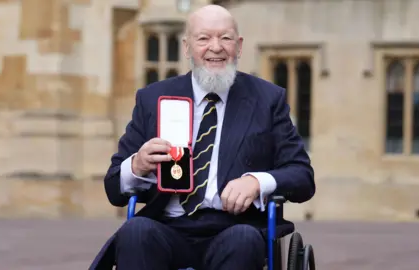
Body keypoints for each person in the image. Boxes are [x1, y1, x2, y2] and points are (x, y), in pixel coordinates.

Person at [89, 4, 315, 270]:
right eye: (204, 38)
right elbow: (114, 188)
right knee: (136, 231)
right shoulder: (152, 99)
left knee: (243, 239)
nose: (215, 47)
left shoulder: (267, 99)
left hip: (235, 227)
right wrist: (136, 166)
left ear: (239, 46)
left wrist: (258, 182)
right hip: (168, 226)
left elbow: (302, 176)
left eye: (226, 38)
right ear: (187, 47)